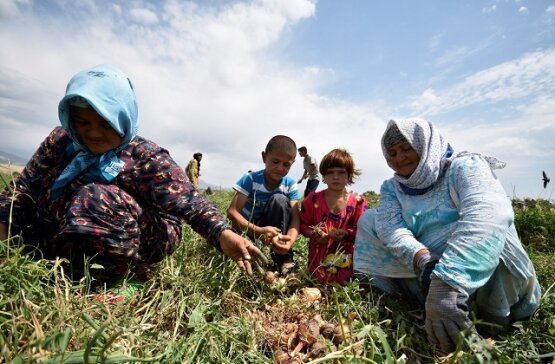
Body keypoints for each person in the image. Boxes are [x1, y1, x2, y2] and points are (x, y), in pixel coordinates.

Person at [0, 64, 266, 284]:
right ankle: (63, 263)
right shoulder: (60, 141)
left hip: (144, 235)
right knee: (31, 199)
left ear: (124, 118)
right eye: (82, 122)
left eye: (105, 123)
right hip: (70, 225)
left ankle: (121, 279)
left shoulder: (145, 156)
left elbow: (191, 203)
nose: (93, 132)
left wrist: (223, 234)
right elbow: (24, 188)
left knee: (95, 197)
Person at [354, 119, 541, 354]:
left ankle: (493, 318)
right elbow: (391, 228)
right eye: (391, 153)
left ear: (426, 145)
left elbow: (487, 215)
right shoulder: (392, 187)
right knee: (371, 220)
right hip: (428, 274)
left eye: (406, 148)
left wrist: (448, 283)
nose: (398, 157)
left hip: (485, 279)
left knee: (491, 234)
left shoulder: (464, 168)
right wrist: (423, 259)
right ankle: (394, 299)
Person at [227, 135, 301, 275]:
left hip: (271, 229)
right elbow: (232, 212)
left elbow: (296, 219)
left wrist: (289, 242)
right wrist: (259, 232)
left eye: (286, 165)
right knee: (245, 262)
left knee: (279, 199)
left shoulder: (289, 184)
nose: (280, 168)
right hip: (246, 228)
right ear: (264, 157)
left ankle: (283, 258)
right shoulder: (251, 179)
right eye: (275, 161)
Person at [299, 149, 367, 285]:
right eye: (330, 172)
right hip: (318, 261)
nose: (335, 177)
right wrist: (315, 234)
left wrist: (346, 233)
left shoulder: (358, 202)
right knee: (318, 280)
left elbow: (363, 230)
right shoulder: (313, 200)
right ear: (323, 176)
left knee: (346, 283)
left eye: (341, 172)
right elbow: (303, 225)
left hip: (347, 260)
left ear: (349, 175)